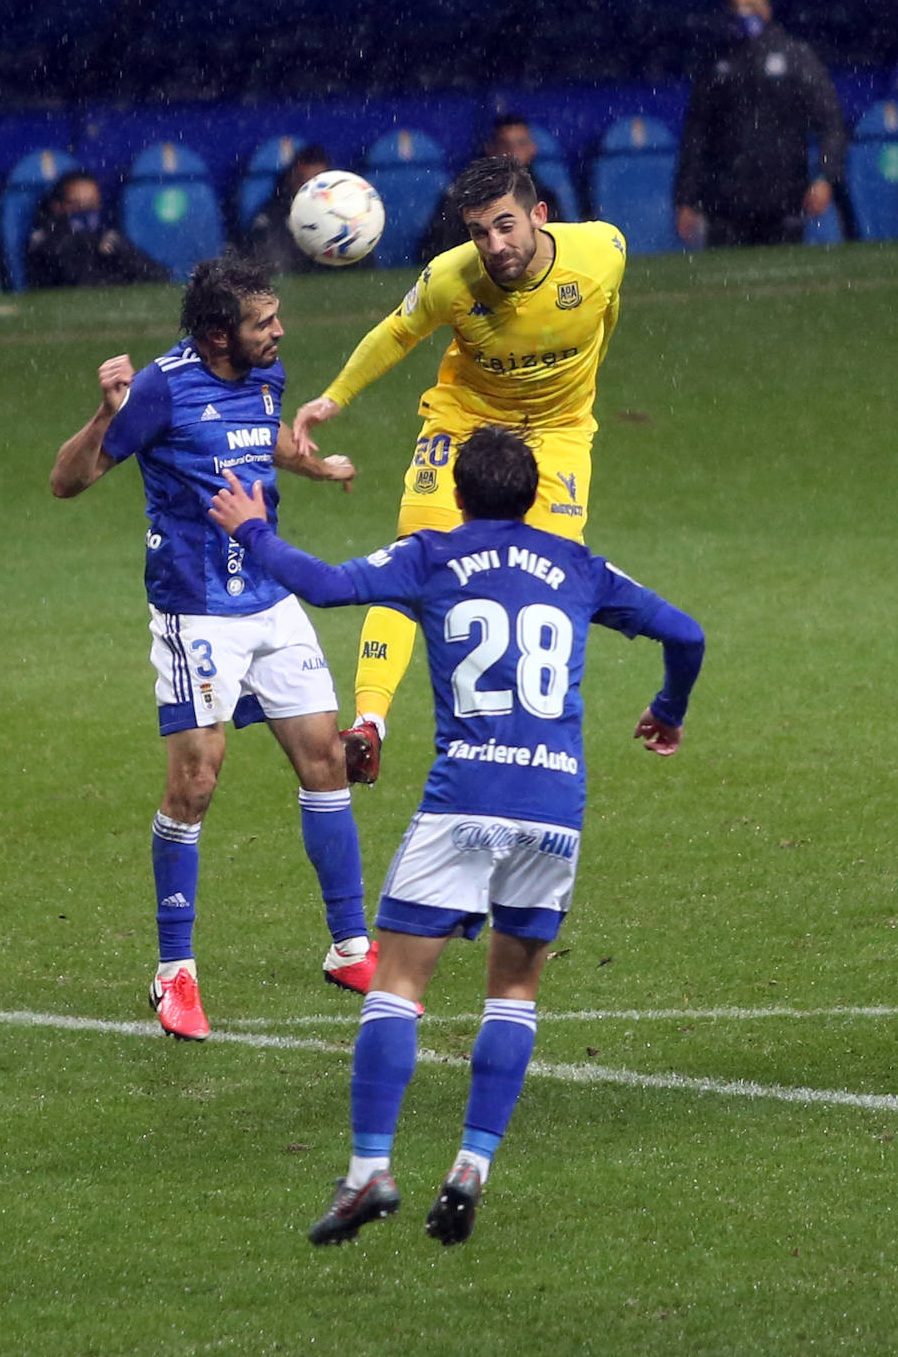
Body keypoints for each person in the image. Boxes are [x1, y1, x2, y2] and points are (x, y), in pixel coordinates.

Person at [208, 425, 704, 1245]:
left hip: (464, 800)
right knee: (513, 991)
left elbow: (327, 586)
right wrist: (669, 710)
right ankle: (472, 1163)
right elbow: (687, 634)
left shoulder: (431, 554)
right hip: (553, 808)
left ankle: (370, 1172)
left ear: (462, 494)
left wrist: (253, 529)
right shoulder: (581, 566)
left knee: (397, 987)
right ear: (535, 493)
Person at [49, 251, 377, 1041]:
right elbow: (68, 481)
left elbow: (262, 441)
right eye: (263, 323)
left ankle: (351, 947)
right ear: (215, 335)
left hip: (271, 595)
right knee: (196, 782)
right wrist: (103, 415)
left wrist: (316, 464)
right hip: (196, 610)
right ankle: (174, 975)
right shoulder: (160, 387)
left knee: (326, 759)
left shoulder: (265, 375)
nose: (279, 332)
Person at [291, 154, 626, 787]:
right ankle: (368, 726)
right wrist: (335, 397)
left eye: (506, 226)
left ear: (539, 216)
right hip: (464, 423)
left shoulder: (603, 252)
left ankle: (526, 740)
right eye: (479, 232)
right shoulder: (452, 278)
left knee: (547, 583)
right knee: (413, 561)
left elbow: (604, 318)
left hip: (556, 435)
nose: (494, 245)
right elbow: (397, 331)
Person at [674, 0, 847, 248]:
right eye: (737, 7)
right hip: (725, 207)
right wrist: (686, 199)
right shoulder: (716, 63)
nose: (744, 13)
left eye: (751, 6)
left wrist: (826, 176)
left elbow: (830, 121)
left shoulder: (795, 56)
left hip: (784, 202)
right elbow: (695, 135)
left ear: (766, 8)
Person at [418, 114, 564, 261]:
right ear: (491, 149)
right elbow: (439, 251)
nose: (513, 152)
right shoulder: (463, 198)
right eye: (505, 145)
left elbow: (556, 244)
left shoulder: (545, 196)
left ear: (532, 148)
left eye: (521, 143)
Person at [26, 170, 169, 289]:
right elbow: (78, 281)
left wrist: (121, 254)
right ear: (57, 206)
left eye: (91, 203)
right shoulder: (44, 242)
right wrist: (92, 247)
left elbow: (159, 275)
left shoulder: (105, 238)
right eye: (76, 204)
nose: (85, 210)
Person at [246, 143, 333, 274]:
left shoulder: (340, 213)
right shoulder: (272, 216)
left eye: (319, 185)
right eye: (303, 182)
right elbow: (269, 262)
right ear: (292, 177)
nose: (311, 191)